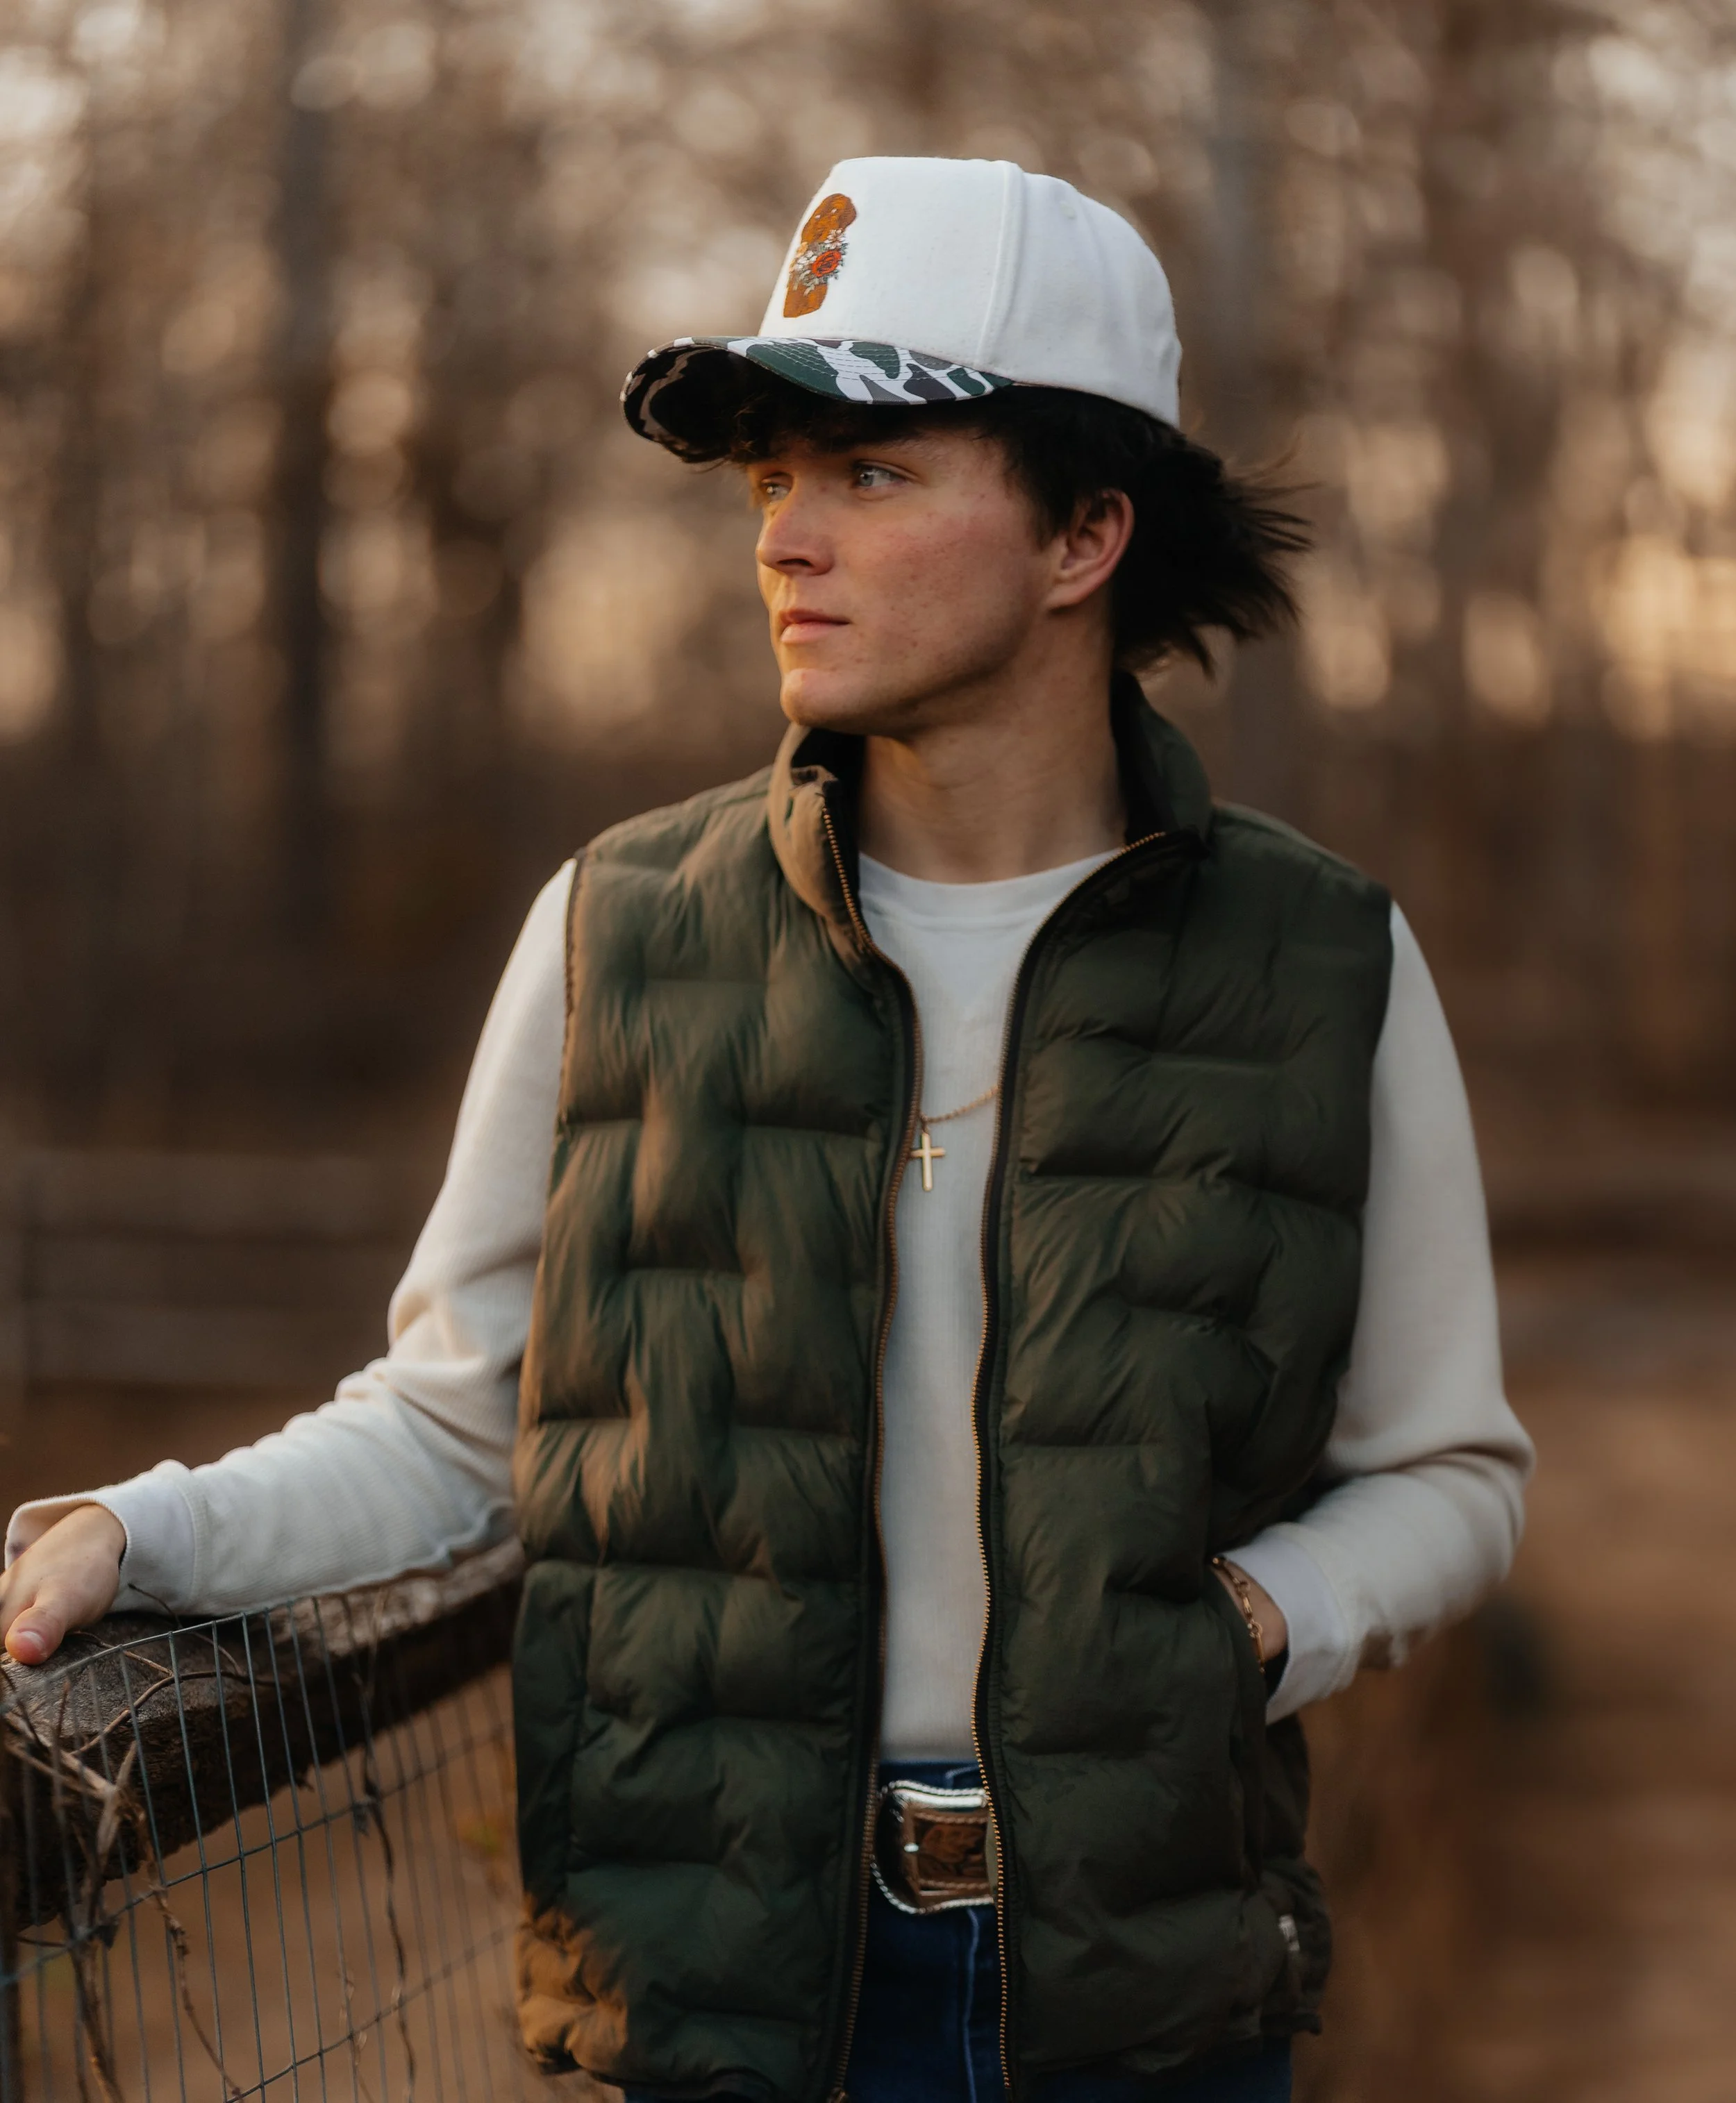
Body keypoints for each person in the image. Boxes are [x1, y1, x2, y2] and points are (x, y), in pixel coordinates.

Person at [3, 157, 1532, 2103]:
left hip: (1149, 1999)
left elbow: (1450, 1470)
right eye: (768, 481)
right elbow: (455, 1426)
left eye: (871, 473)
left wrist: (1247, 1622)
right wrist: (151, 1529)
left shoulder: (1320, 959)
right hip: (726, 1997)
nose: (785, 540)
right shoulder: (619, 930)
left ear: (1085, 533)